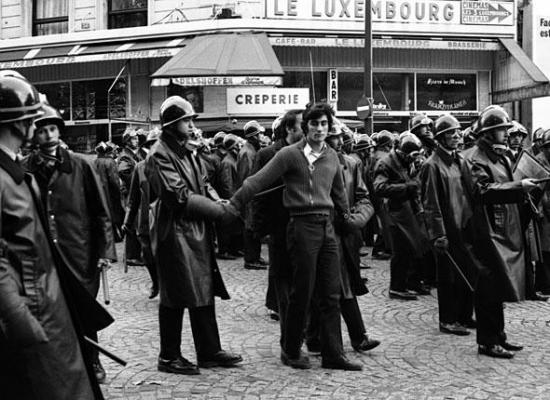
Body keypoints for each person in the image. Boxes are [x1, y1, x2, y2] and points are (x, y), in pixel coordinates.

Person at [0, 73, 113, 399]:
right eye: (32, 118)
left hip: (53, 298)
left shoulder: (20, 171)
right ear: (17, 123)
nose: (38, 126)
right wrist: (19, 318)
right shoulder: (11, 173)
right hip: (34, 313)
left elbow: (100, 211)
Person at [230, 102, 362, 371]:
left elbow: (339, 195)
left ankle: (333, 353)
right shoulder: (290, 155)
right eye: (314, 124)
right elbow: (257, 181)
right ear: (306, 127)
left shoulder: (333, 156)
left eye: (324, 124)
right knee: (302, 291)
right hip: (300, 227)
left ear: (330, 126)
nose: (319, 129)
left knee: (331, 293)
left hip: (327, 227)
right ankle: (290, 350)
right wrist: (233, 205)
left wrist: (349, 219)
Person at [145, 96, 242, 375]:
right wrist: (217, 210)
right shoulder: (160, 153)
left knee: (203, 287)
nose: (192, 125)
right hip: (173, 232)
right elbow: (178, 196)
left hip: (195, 229)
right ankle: (168, 356)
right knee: (175, 295)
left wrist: (220, 202)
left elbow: (203, 183)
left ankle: (209, 350)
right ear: (173, 124)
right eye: (187, 121)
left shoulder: (187, 151)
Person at [23, 103, 117, 383]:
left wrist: (104, 252)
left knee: (84, 312)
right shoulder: (24, 168)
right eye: (42, 131)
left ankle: (93, 362)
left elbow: (101, 212)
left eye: (53, 129)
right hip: (44, 255)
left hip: (80, 253)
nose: (48, 136)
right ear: (33, 135)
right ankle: (56, 365)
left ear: (60, 131)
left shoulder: (82, 165)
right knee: (48, 311)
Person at [462, 106, 538, 359]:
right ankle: (487, 341)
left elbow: (507, 182)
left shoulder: (501, 156)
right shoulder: (475, 158)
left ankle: (499, 336)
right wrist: (519, 187)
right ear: (488, 132)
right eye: (501, 130)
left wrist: (526, 188)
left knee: (500, 285)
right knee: (488, 288)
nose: (507, 134)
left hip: (504, 228)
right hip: (485, 231)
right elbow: (482, 191)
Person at [307, 122, 381, 353]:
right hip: (321, 234)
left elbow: (364, 197)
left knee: (341, 284)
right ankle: (347, 337)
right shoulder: (308, 164)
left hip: (346, 235)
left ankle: (319, 337)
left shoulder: (351, 164)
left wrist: (358, 220)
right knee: (329, 287)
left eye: (338, 138)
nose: (337, 143)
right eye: (331, 139)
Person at [420, 114, 476, 336]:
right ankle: (448, 319)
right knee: (448, 277)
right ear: (440, 138)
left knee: (467, 272)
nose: (456, 136)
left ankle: (464, 315)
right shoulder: (431, 165)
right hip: (447, 228)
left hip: (464, 226)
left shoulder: (460, 160)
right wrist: (438, 234)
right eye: (450, 134)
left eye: (457, 132)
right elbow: (430, 202)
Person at [252, 110, 304, 332]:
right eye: (305, 124)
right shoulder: (266, 155)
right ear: (290, 129)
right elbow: (257, 192)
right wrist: (260, 227)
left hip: (304, 227)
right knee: (281, 275)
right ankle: (287, 323)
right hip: (279, 224)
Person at [373, 133, 427, 300]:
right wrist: (406, 187)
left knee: (412, 248)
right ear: (403, 153)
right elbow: (379, 188)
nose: (414, 159)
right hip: (394, 212)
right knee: (401, 250)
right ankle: (397, 287)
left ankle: (410, 283)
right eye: (412, 156)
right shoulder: (385, 163)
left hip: (407, 211)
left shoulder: (406, 162)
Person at [123, 129, 161, 299]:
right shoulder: (139, 167)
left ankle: (168, 284)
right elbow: (133, 199)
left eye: (158, 144)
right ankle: (156, 282)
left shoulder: (173, 166)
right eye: (152, 145)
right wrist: (127, 223)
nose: (155, 148)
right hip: (145, 220)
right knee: (147, 255)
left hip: (165, 220)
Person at [238, 120, 268, 270]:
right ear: (254, 136)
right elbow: (246, 177)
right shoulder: (247, 153)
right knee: (250, 227)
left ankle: (255, 256)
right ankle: (250, 259)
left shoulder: (252, 151)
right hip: (250, 195)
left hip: (253, 194)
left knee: (254, 226)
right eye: (260, 134)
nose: (262, 136)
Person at [118, 128, 144, 265]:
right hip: (129, 193)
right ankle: (131, 256)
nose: (137, 140)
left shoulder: (135, 154)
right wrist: (135, 183)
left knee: (136, 222)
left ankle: (135, 254)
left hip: (135, 192)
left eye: (136, 138)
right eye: (133, 139)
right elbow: (123, 171)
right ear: (127, 141)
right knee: (132, 222)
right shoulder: (125, 156)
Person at [218, 133, 244, 258]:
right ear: (233, 147)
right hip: (229, 199)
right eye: (238, 145)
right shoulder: (227, 162)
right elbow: (227, 184)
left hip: (233, 197)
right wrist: (233, 201)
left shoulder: (232, 160)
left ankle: (233, 249)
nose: (240, 147)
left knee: (234, 226)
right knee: (227, 226)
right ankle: (225, 250)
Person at [368, 130, 394, 260]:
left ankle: (381, 247)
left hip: (376, 192)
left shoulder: (375, 155)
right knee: (385, 222)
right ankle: (382, 249)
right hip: (382, 193)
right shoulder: (383, 157)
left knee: (384, 222)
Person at [94, 141, 124, 242]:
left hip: (99, 192)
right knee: (115, 214)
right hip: (110, 193)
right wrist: (118, 191)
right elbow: (114, 180)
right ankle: (117, 235)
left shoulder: (95, 162)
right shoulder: (110, 162)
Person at [534, 129, 550, 299]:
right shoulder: (538, 162)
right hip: (543, 212)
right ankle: (544, 284)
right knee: (544, 251)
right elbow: (536, 189)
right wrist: (538, 209)